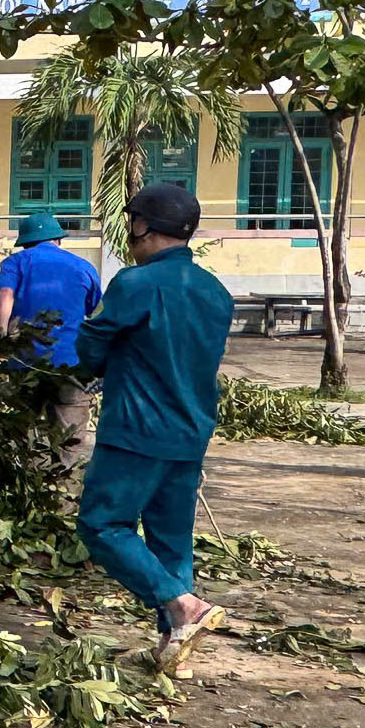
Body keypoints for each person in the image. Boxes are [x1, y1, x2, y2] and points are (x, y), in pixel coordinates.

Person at [72, 183, 235, 677]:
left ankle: (181, 604)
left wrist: (84, 368)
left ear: (141, 226)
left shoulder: (135, 283)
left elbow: (92, 346)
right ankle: (175, 647)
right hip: (191, 431)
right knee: (171, 537)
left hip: (137, 431)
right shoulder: (215, 291)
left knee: (102, 524)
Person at [0, 211, 103, 470]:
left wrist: (1, 337)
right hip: (71, 366)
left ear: (26, 242)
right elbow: (98, 316)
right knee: (70, 441)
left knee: (22, 432)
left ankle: (27, 486)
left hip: (24, 364)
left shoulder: (16, 262)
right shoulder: (83, 266)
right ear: (58, 240)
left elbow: (5, 296)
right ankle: (62, 499)